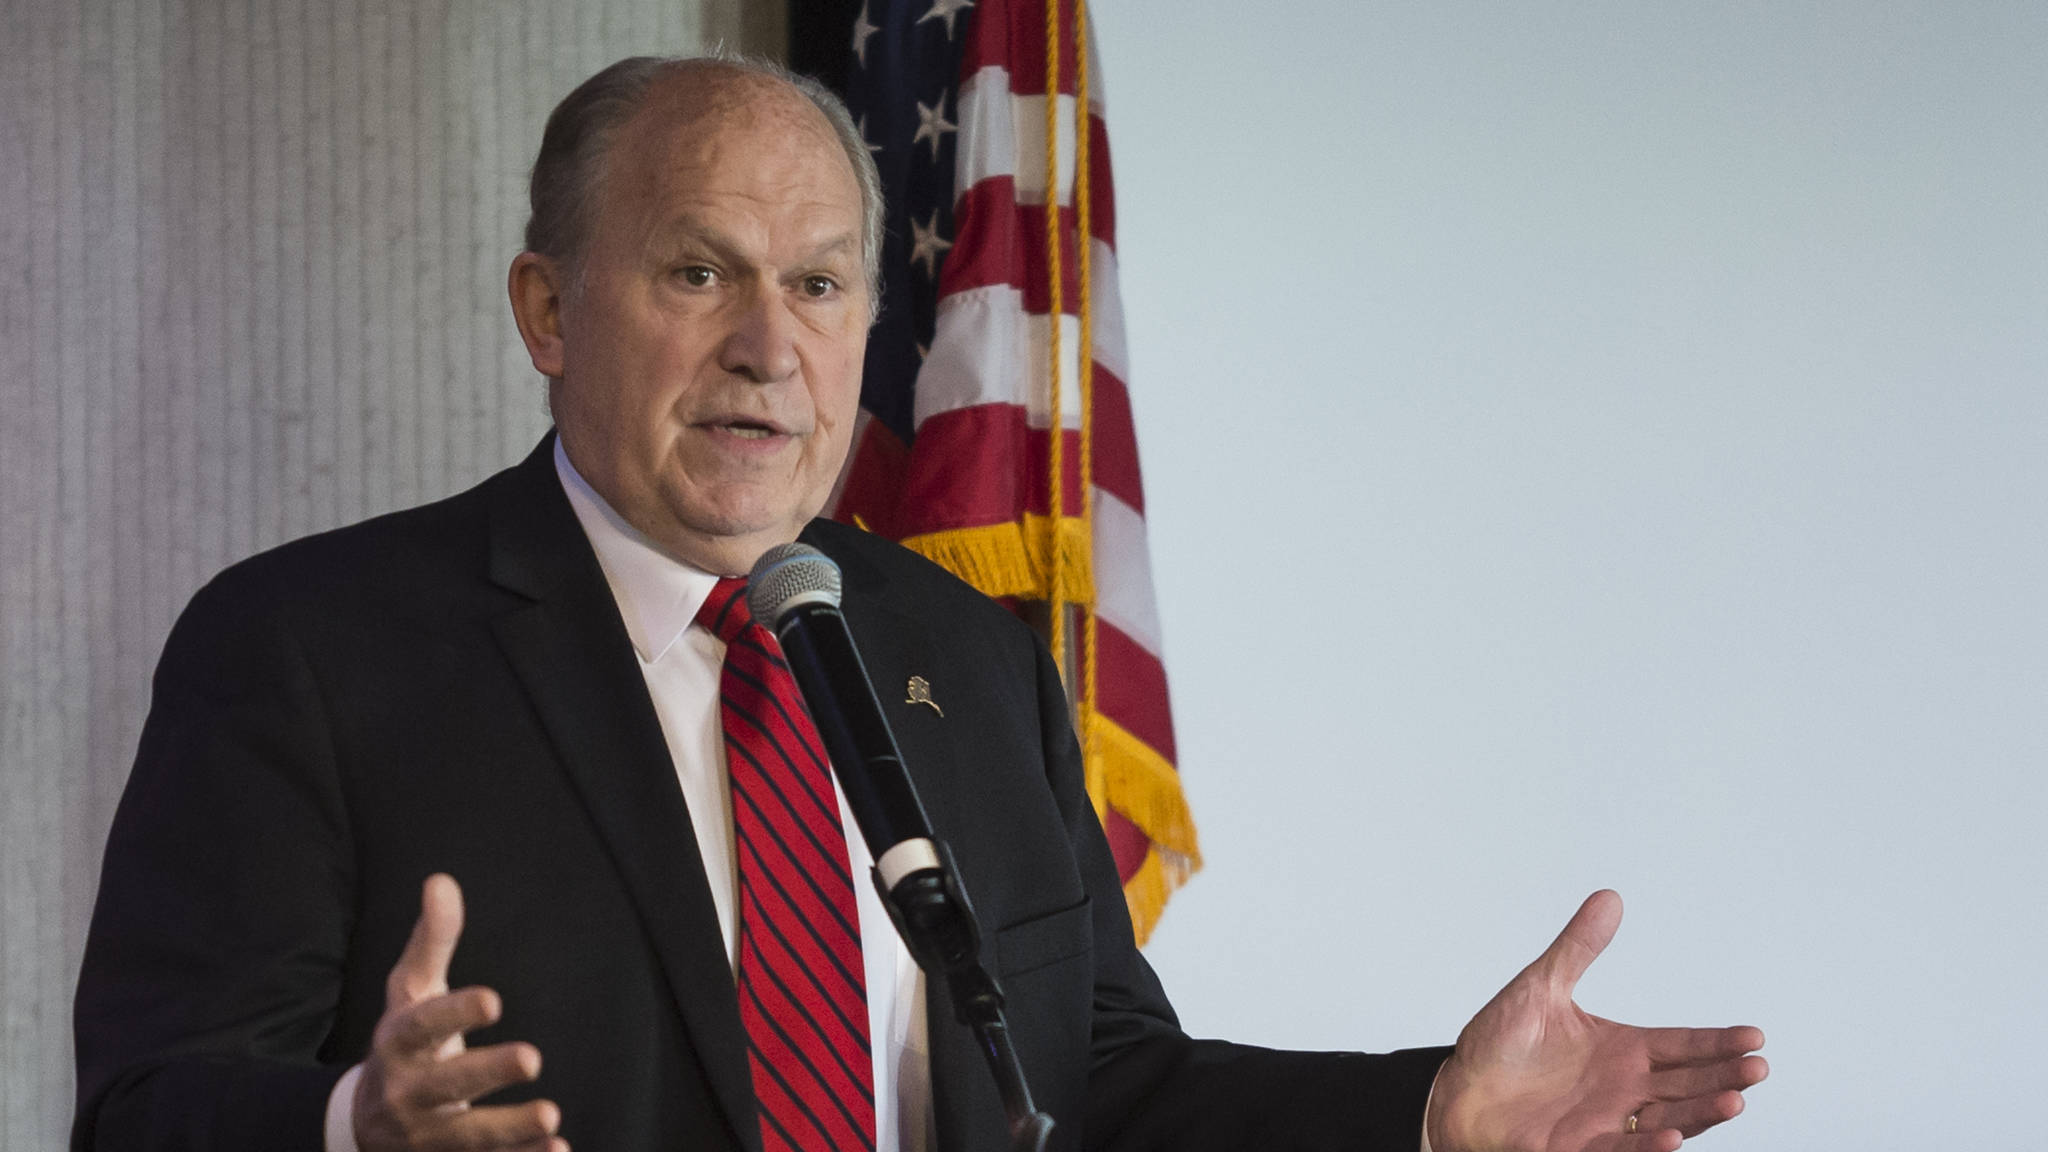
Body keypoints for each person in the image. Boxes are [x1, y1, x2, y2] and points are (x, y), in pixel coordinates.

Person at [72, 55, 1766, 1152]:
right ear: (547, 306)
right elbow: (146, 1108)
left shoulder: (960, 654)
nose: (767, 344)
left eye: (816, 285)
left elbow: (1100, 1085)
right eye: (694, 271)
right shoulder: (309, 649)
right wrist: (357, 1126)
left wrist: (1429, 1117)